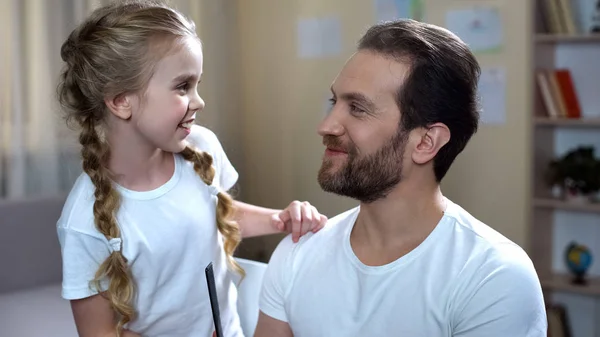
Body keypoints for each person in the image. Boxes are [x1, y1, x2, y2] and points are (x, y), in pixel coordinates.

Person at [255, 19, 547, 337]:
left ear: (425, 143)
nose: (326, 126)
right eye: (333, 102)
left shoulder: (493, 277)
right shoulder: (297, 254)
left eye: (357, 108)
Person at [55, 1, 327, 336]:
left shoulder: (202, 145)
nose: (199, 101)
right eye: (183, 86)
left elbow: (210, 218)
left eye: (197, 84)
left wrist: (279, 220)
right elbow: (99, 332)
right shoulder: (83, 224)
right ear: (121, 100)